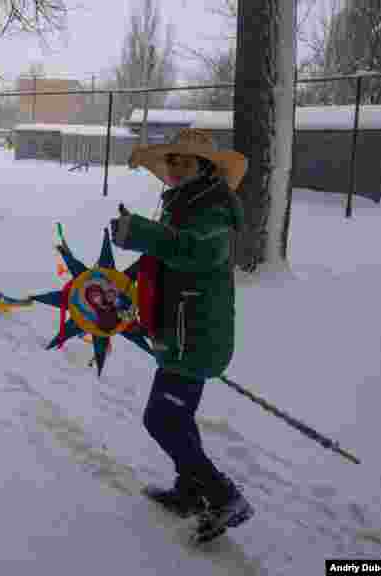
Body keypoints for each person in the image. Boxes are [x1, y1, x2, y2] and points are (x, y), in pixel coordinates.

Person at [111, 128, 251, 543]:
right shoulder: (183, 202)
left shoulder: (214, 209)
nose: (173, 168)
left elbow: (192, 251)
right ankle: (190, 490)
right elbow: (163, 256)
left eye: (183, 161)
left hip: (197, 333)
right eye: (171, 160)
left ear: (204, 167)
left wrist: (137, 231)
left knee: (161, 419)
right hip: (180, 330)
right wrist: (125, 282)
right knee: (176, 417)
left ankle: (224, 495)